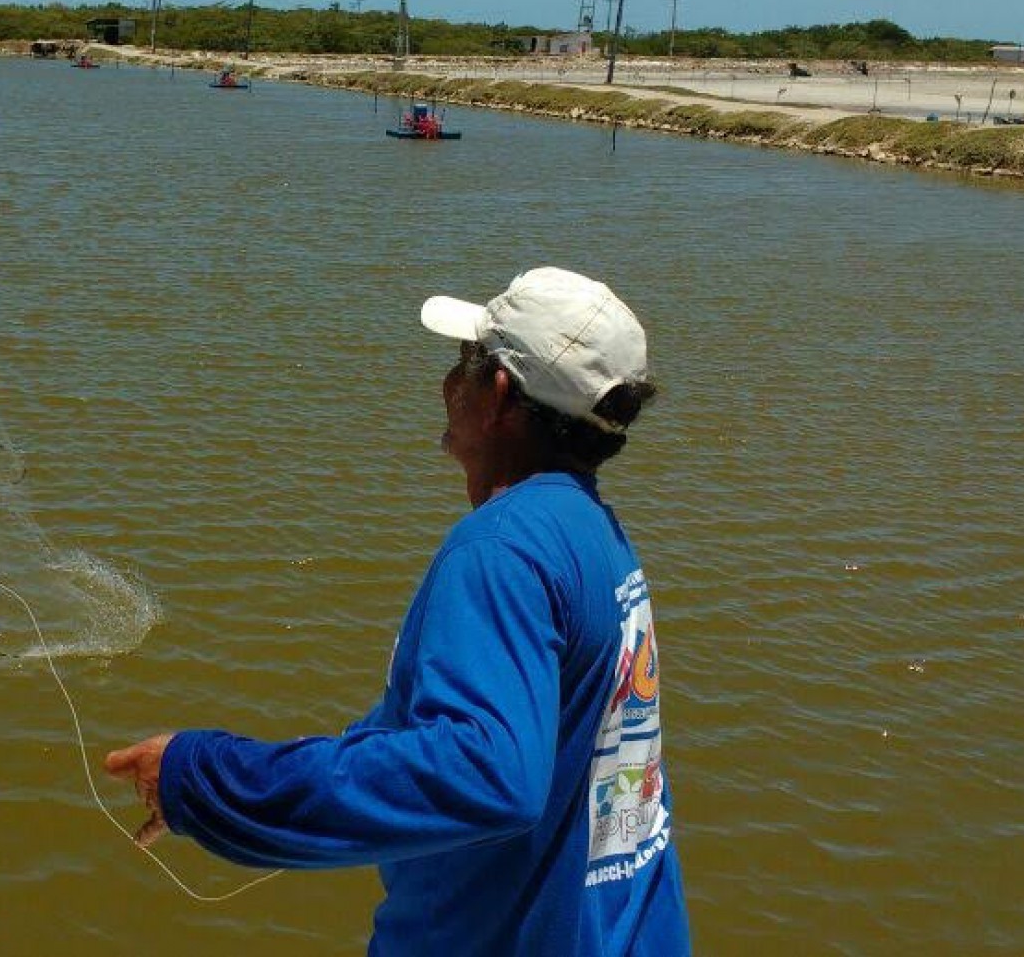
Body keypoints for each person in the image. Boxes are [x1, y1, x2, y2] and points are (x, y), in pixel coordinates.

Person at [107, 267, 690, 956]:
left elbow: (487, 772)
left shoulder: (502, 552)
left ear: (498, 393)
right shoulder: (595, 535)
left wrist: (204, 777)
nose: (448, 383)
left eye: (464, 363)